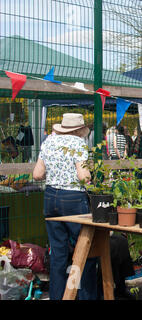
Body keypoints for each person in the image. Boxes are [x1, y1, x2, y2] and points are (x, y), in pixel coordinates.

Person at [33, 113, 98, 300]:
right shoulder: (78, 144)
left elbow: (37, 174)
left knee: (58, 254)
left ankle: (58, 296)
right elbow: (83, 177)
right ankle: (84, 296)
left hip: (50, 197)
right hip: (73, 199)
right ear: (79, 130)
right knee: (84, 251)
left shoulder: (48, 142)